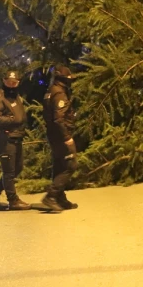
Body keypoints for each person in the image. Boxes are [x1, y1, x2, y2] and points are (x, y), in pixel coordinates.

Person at [0, 71, 31, 210]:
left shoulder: (16, 97)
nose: (11, 85)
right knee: (9, 171)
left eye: (14, 83)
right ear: (4, 81)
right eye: (9, 82)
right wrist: (13, 120)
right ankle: (13, 200)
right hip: (5, 139)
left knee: (18, 168)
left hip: (16, 136)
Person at [41, 65, 79, 211]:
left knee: (60, 165)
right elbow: (58, 119)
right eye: (68, 79)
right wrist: (67, 137)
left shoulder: (50, 91)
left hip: (53, 134)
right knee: (71, 165)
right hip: (60, 134)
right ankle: (51, 195)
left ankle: (59, 198)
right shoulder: (59, 93)